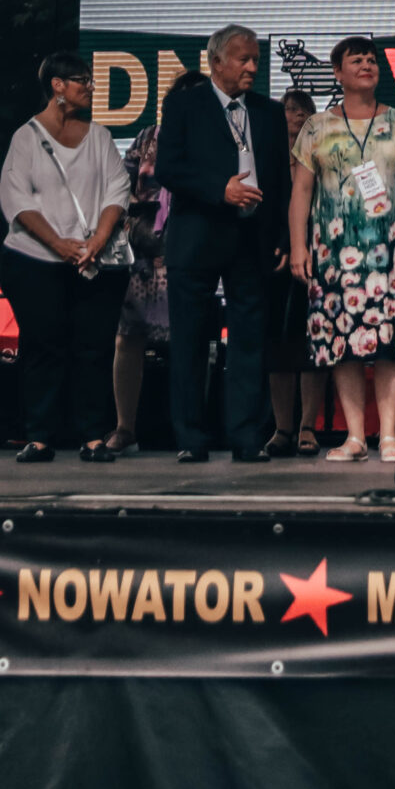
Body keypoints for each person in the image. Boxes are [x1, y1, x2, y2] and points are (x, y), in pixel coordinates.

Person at [289, 37, 395, 464]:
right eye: (356, 60)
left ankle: (387, 435)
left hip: (389, 252)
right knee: (342, 341)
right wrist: (298, 246)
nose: (367, 64)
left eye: (371, 59)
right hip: (334, 254)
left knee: (390, 341)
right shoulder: (316, 127)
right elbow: (301, 191)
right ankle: (354, 437)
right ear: (337, 72)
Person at [155, 26, 291, 463]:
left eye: (256, 60)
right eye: (242, 59)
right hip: (197, 237)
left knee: (250, 343)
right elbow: (167, 168)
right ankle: (191, 438)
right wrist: (220, 189)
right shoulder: (184, 104)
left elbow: (281, 181)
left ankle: (247, 437)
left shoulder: (269, 112)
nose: (252, 67)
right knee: (191, 341)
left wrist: (283, 236)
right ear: (215, 62)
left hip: (252, 241)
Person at [0, 53, 133, 463]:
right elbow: (16, 199)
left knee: (94, 349)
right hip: (34, 261)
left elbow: (118, 188)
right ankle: (39, 437)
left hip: (94, 262)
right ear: (57, 85)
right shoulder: (25, 138)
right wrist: (58, 243)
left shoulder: (100, 138)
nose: (90, 87)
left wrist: (98, 240)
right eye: (81, 80)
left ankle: (92, 437)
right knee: (43, 347)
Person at [105, 70, 200, 453]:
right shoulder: (148, 137)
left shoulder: (216, 140)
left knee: (189, 344)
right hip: (144, 256)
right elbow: (120, 188)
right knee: (128, 338)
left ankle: (189, 431)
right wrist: (133, 228)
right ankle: (124, 427)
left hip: (191, 253)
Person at [265, 88, 328, 456]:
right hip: (274, 260)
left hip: (315, 260)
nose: (296, 115)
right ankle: (282, 428)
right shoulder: (268, 158)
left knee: (312, 344)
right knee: (277, 345)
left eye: (304, 110)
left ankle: (307, 427)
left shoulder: (320, 159)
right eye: (289, 109)